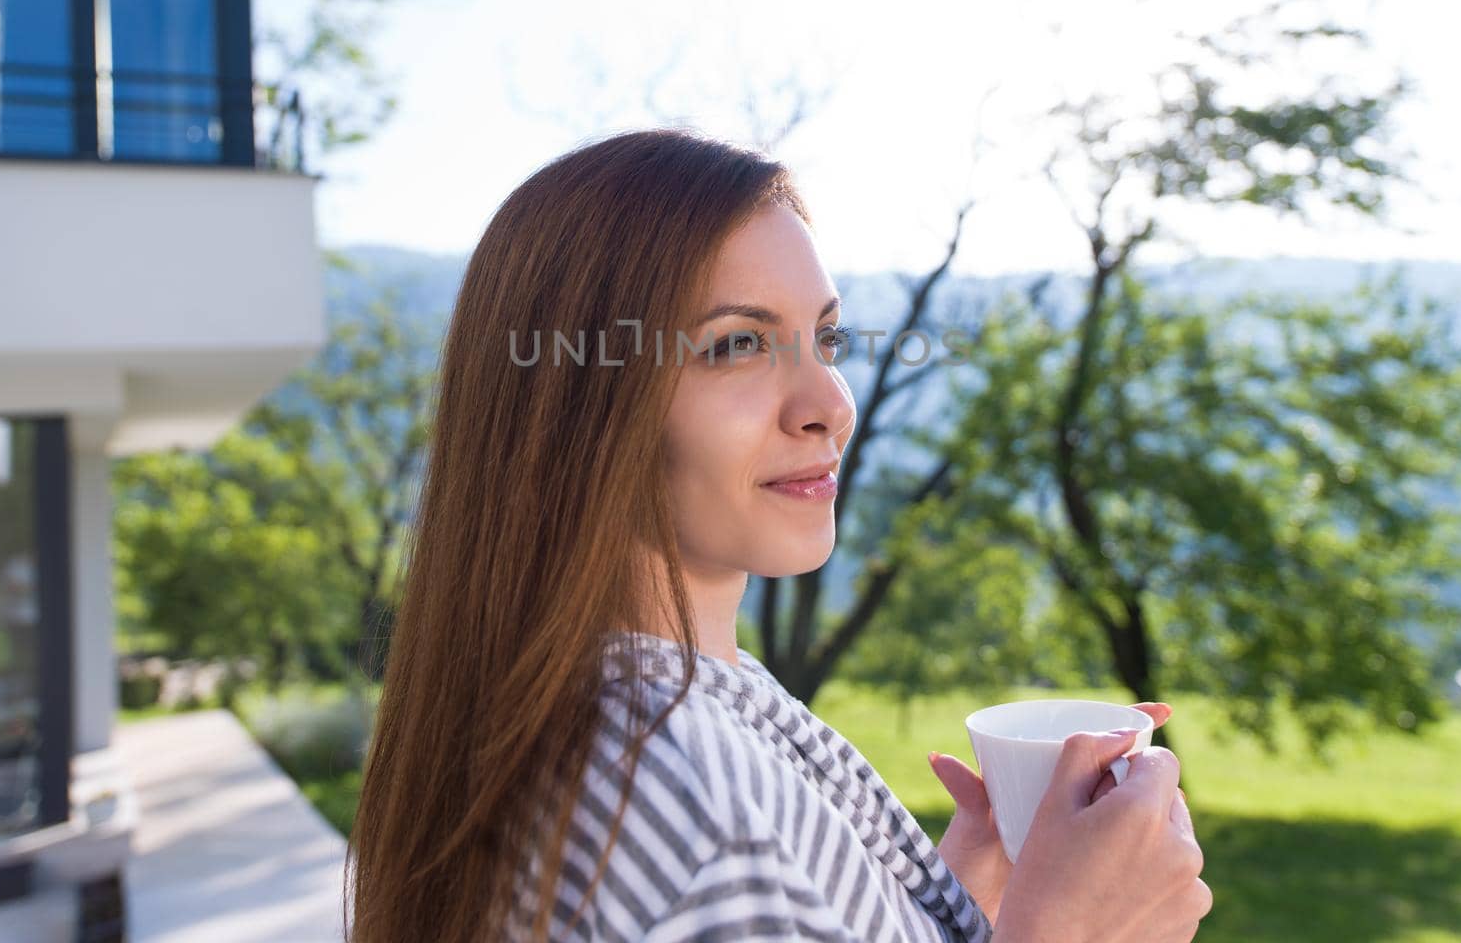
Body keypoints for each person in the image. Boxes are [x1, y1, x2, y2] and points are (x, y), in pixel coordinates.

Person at [345, 129, 1211, 942]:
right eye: (736, 346)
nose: (830, 406)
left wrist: (948, 903)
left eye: (825, 338)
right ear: (577, 408)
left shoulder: (677, 704)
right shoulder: (678, 791)